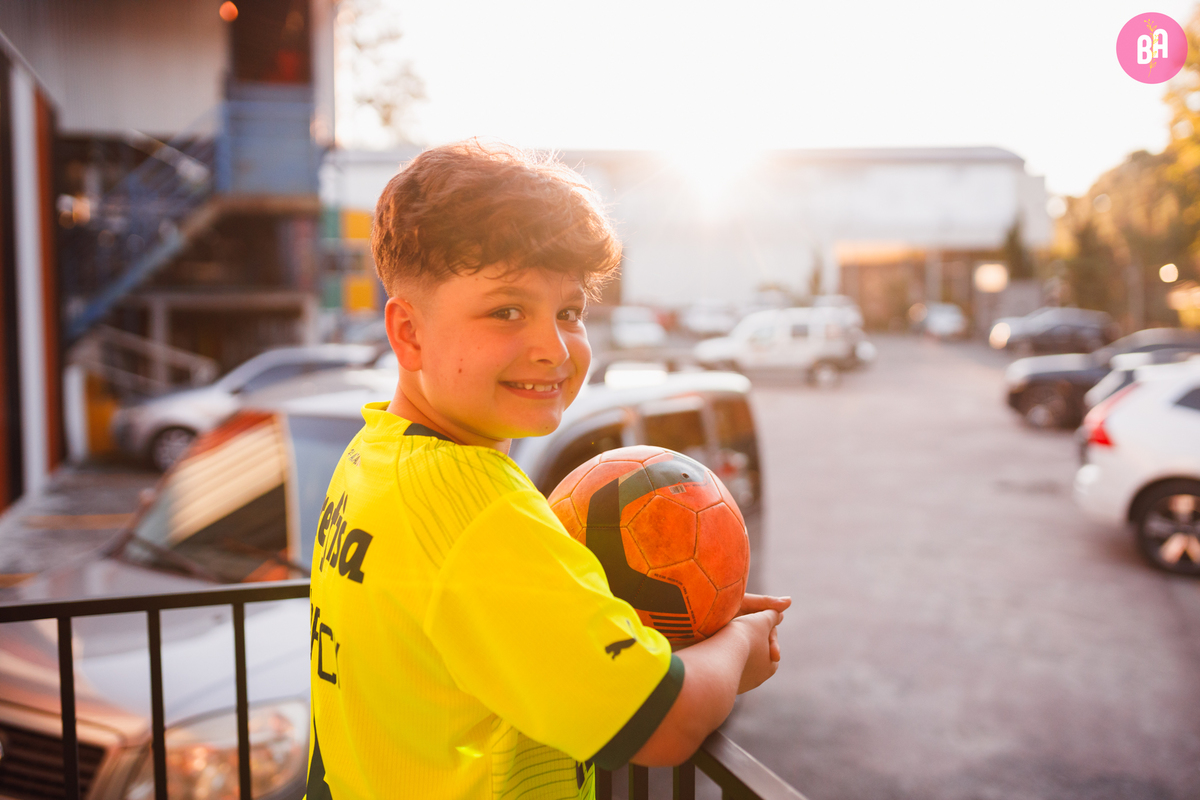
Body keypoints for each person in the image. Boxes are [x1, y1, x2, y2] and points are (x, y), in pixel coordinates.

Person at [306, 140, 789, 799]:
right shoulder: (480, 513)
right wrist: (738, 647)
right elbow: (666, 726)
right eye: (507, 310)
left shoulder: (373, 456)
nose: (553, 347)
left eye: (569, 312)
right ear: (409, 332)